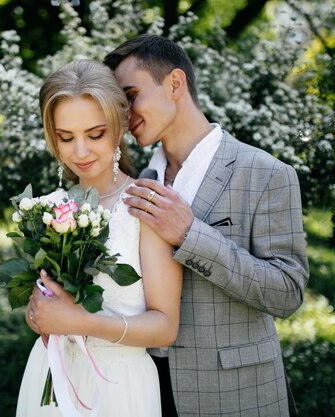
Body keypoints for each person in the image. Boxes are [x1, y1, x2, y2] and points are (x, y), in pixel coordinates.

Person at [100, 34, 310, 417]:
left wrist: (190, 236)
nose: (124, 115)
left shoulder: (266, 173)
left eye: (130, 96)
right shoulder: (137, 185)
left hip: (237, 395)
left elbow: (288, 292)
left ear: (175, 84)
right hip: (144, 393)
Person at [16, 59, 183, 417]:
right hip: (49, 373)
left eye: (95, 134)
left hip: (119, 386)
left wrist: (82, 322)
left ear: (120, 125)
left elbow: (165, 327)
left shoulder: (144, 206)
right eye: (65, 137)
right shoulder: (46, 209)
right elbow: (43, 305)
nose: (80, 152)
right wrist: (38, 313)